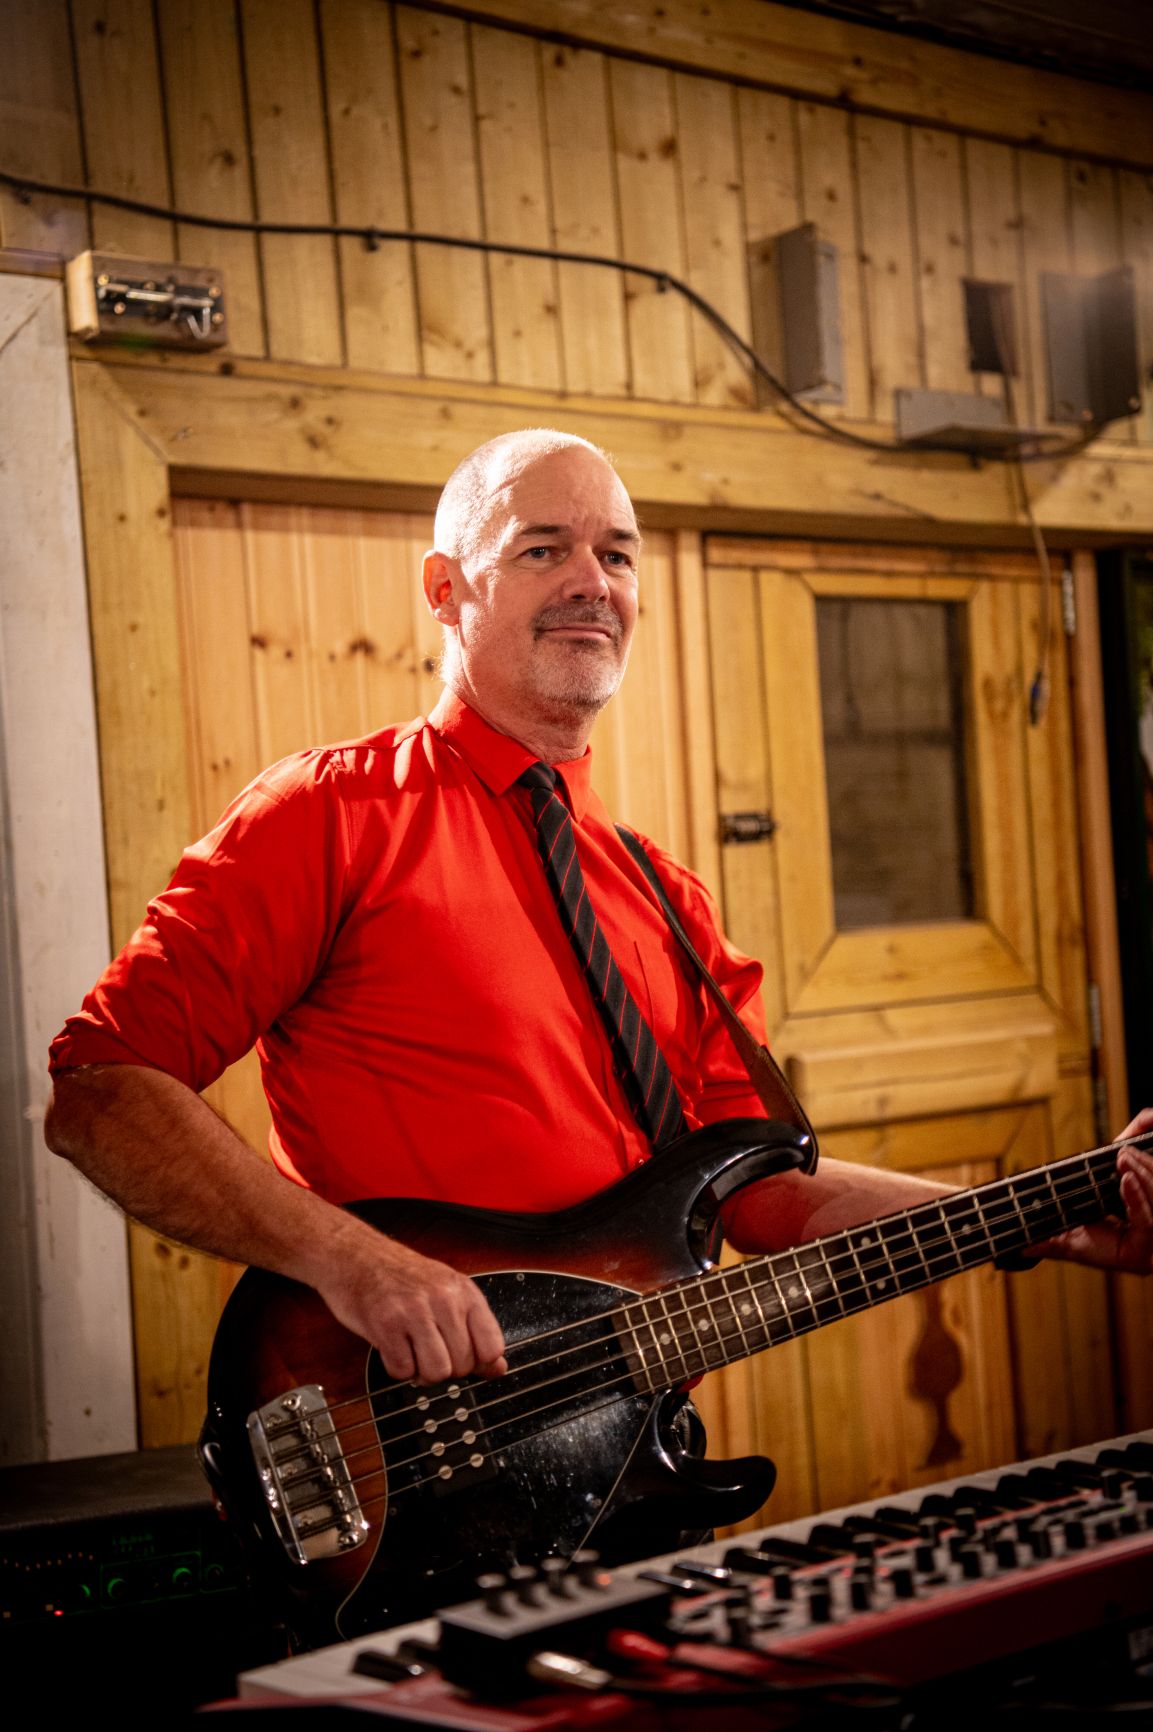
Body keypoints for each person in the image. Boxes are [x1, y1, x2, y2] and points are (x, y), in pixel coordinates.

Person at [46, 430, 1153, 1396]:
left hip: (629, 1457)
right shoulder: (328, 815)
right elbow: (102, 1090)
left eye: (616, 555)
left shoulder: (666, 898)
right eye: (543, 549)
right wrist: (352, 1263)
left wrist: (1048, 1214)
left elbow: (761, 1193)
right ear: (444, 588)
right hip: (391, 1429)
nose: (592, 581)